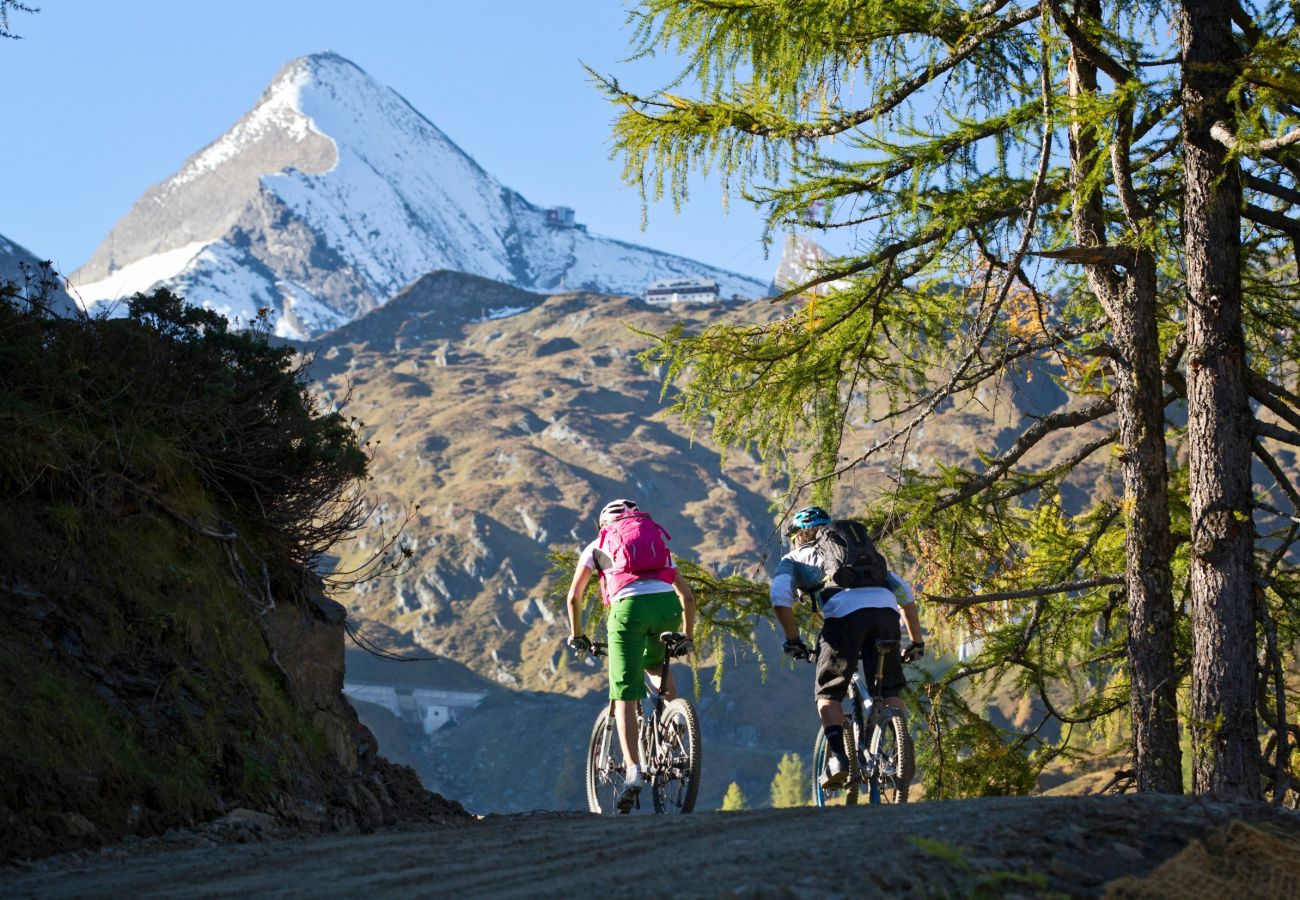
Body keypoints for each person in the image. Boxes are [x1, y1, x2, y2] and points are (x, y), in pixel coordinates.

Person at [770, 505, 924, 789]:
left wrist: (793, 640)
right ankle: (902, 748)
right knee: (889, 688)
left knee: (828, 693)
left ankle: (839, 760)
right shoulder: (861, 557)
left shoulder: (794, 558)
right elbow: (905, 595)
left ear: (797, 536)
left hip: (845, 617)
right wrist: (916, 641)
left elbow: (780, 596)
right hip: (885, 612)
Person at [566, 498, 696, 812]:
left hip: (628, 611)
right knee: (654, 662)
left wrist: (577, 634)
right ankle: (672, 722)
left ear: (604, 523)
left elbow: (574, 597)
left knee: (625, 691)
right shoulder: (656, 544)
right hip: (667, 609)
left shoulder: (598, 544)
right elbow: (687, 596)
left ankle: (634, 771)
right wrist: (688, 636)